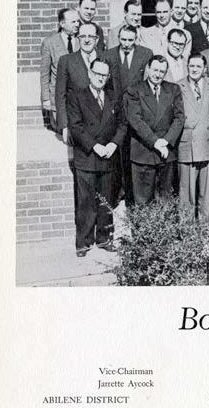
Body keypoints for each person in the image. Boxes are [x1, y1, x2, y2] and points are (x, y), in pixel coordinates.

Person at [66, 58, 125, 256]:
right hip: (87, 156)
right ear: (90, 74)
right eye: (97, 73)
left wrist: (113, 144)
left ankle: (104, 239)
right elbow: (76, 126)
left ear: (108, 77)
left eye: (104, 75)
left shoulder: (114, 97)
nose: (100, 78)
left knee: (106, 201)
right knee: (85, 202)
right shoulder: (77, 96)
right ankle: (83, 243)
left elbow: (122, 124)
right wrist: (95, 146)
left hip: (109, 156)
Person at [125, 55, 185, 205]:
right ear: (148, 69)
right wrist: (156, 142)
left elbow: (179, 118)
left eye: (162, 71)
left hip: (166, 153)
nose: (158, 74)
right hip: (143, 154)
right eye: (155, 70)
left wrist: (166, 141)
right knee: (143, 203)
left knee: (166, 201)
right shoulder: (134, 90)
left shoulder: (173, 89)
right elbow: (135, 120)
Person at [104, 25, 153, 205]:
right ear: (118, 38)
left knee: (134, 157)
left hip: (136, 112)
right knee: (117, 157)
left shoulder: (145, 54)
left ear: (136, 39)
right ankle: (117, 198)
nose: (126, 44)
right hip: (115, 114)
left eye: (130, 40)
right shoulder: (108, 55)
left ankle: (134, 199)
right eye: (123, 39)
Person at [177, 53, 209, 220]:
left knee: (207, 191)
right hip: (187, 144)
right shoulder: (178, 86)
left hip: (208, 143)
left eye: (198, 66)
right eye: (191, 66)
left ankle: (205, 225)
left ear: (205, 68)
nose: (194, 69)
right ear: (187, 67)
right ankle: (186, 227)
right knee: (186, 192)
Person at [55, 21, 103, 142]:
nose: (86, 40)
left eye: (90, 36)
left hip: (102, 124)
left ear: (97, 39)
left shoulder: (106, 58)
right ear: (78, 38)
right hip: (78, 124)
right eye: (82, 36)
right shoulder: (66, 61)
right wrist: (64, 126)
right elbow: (60, 95)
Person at [40, 7, 80, 133]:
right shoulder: (50, 43)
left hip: (78, 98)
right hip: (57, 97)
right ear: (62, 23)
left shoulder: (82, 40)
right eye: (73, 22)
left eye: (78, 21)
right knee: (62, 132)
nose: (77, 24)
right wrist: (46, 99)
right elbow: (45, 74)